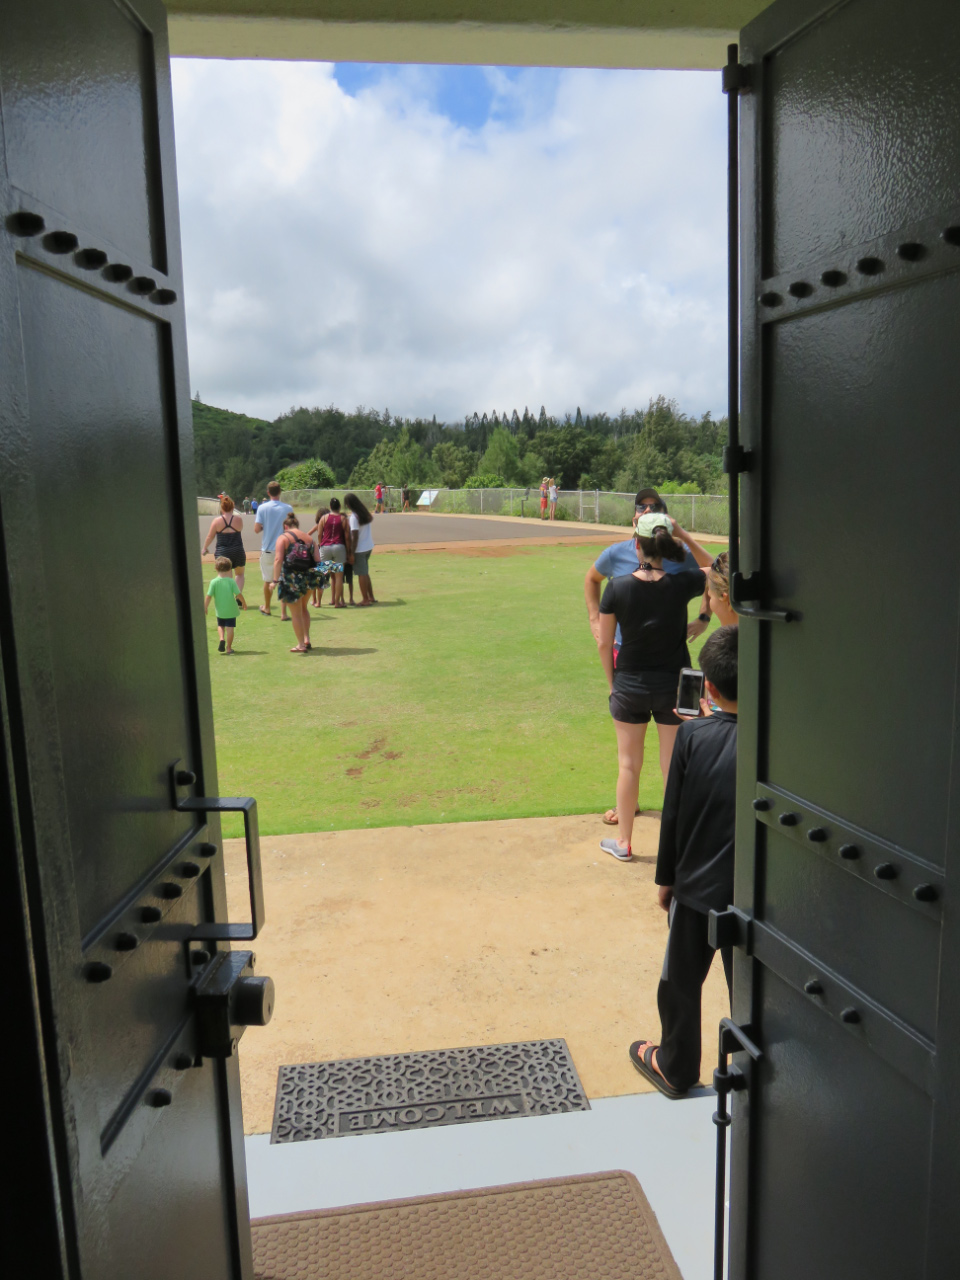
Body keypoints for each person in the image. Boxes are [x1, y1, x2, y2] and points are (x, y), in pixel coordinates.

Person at [628, 625, 739, 1097]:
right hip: (753, 896)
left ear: (708, 686)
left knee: (680, 983)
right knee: (750, 992)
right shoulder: (779, 740)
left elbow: (673, 813)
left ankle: (674, 1065)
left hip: (696, 888)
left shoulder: (693, 735)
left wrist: (665, 880)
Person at [586, 488, 715, 826]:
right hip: (663, 669)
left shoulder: (662, 564)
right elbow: (717, 571)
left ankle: (627, 834)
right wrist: (594, 619)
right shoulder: (671, 574)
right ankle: (668, 825)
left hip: (637, 670)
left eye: (653, 507)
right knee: (667, 758)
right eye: (641, 507)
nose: (645, 511)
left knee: (630, 760)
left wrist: (704, 616)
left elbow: (714, 576)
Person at [273, 512, 321, 653]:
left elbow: (278, 560)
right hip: (308, 578)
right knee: (304, 608)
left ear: (285, 526)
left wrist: (275, 580)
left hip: (291, 579)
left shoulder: (283, 538)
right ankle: (306, 639)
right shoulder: (309, 539)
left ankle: (300, 645)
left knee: (295, 613)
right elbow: (318, 560)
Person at [254, 480, 293, 619]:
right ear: (280, 492)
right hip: (284, 548)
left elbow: (256, 529)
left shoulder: (262, 508)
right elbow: (292, 527)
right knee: (283, 580)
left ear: (268, 492)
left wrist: (266, 526)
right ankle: (284, 613)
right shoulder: (288, 508)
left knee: (267, 580)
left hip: (268, 548)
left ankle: (267, 607)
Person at [202, 495, 246, 594]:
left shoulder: (217, 521)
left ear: (222, 508)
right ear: (232, 507)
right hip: (237, 550)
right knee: (240, 574)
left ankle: (229, 596)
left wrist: (205, 548)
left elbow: (210, 536)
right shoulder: (238, 520)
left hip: (223, 552)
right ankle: (238, 596)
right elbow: (239, 529)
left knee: (226, 577)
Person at [204, 555, 246, 655]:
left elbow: (208, 596)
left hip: (220, 610)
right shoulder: (231, 581)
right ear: (229, 569)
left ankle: (221, 638)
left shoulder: (213, 582)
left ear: (216, 568)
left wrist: (205, 607)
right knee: (230, 628)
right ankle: (229, 648)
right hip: (231, 610)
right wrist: (244, 603)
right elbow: (238, 594)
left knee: (220, 626)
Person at [311, 498, 347, 608]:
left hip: (326, 547)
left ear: (330, 507)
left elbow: (319, 534)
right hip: (339, 547)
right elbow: (347, 536)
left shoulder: (324, 518)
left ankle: (318, 602)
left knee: (321, 575)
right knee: (338, 576)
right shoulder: (343, 518)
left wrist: (321, 545)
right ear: (339, 507)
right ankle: (336, 602)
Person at [344, 492, 376, 605]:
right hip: (368, 546)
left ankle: (365, 599)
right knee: (365, 572)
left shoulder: (353, 517)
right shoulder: (364, 513)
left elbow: (355, 536)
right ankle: (370, 596)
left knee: (361, 574)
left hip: (360, 549)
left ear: (349, 504)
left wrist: (351, 553)